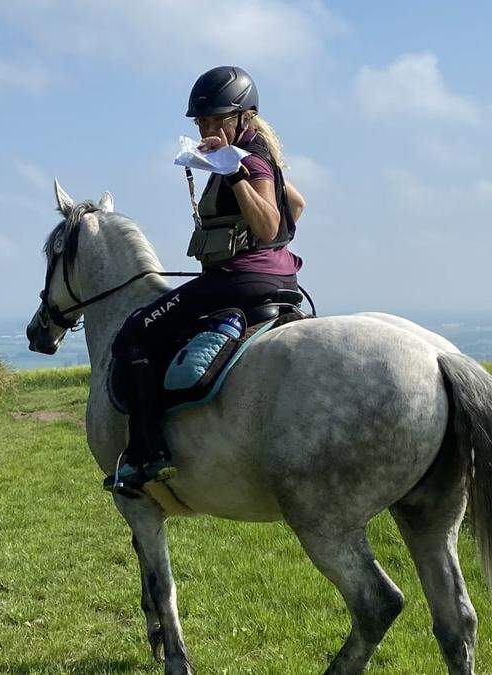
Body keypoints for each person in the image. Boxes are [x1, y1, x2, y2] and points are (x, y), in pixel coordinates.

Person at [104, 65, 306, 495]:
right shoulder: (259, 155)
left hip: (241, 280)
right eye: (203, 122)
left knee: (134, 334)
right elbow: (297, 206)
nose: (209, 128)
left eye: (218, 120)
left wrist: (235, 176)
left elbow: (269, 225)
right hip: (279, 276)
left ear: (244, 118)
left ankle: (146, 453)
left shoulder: (246, 161)